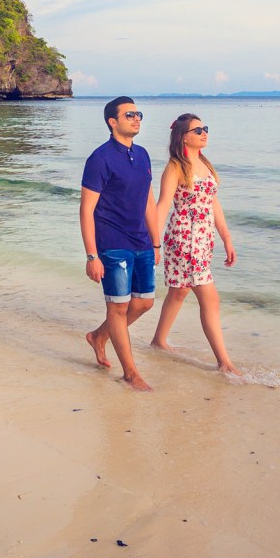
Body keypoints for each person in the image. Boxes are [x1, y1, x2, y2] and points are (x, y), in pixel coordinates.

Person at [149, 112, 241, 374]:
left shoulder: (205, 164)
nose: (204, 134)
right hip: (185, 239)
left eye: (205, 129)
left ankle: (158, 341)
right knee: (211, 299)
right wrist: (153, 242)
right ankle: (224, 363)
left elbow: (213, 203)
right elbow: (163, 205)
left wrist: (227, 238)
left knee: (179, 291)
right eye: (197, 130)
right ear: (183, 137)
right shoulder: (176, 167)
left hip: (203, 239)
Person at [81, 96, 160, 391]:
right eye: (129, 115)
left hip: (141, 240)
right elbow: (86, 209)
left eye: (138, 113)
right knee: (118, 307)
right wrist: (92, 256)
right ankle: (130, 373)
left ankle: (98, 337)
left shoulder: (142, 155)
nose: (137, 118)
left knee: (144, 302)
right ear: (113, 122)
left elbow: (149, 202)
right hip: (112, 243)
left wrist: (156, 242)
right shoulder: (100, 158)